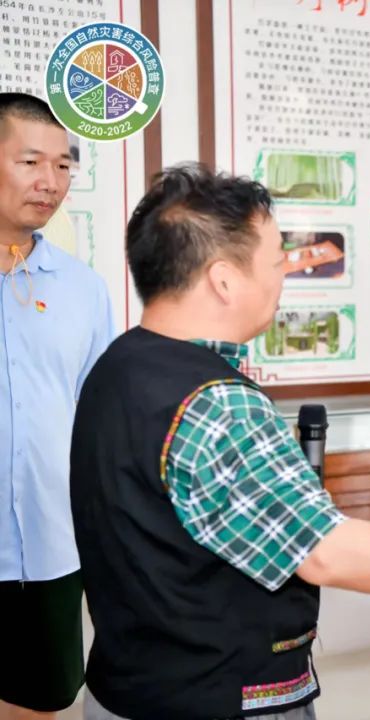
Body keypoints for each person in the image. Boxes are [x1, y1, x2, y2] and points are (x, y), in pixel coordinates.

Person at [69, 165, 370, 720]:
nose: (284, 275)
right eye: (275, 261)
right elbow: (327, 551)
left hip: (122, 691)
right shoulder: (218, 402)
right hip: (218, 700)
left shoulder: (117, 364)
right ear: (223, 278)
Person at [0, 93, 113, 720]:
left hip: (48, 545)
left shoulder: (82, 289)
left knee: (37, 706)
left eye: (64, 165)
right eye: (31, 162)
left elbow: (96, 417)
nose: (50, 182)